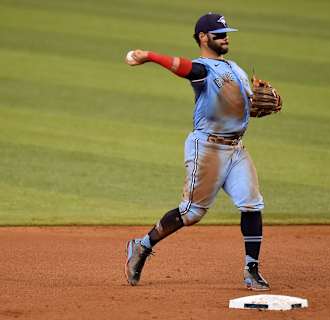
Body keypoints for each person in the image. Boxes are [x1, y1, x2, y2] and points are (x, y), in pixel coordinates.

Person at [124, 13, 270, 291]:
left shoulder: (235, 68)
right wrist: (150, 55)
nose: (226, 37)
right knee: (190, 213)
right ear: (204, 37)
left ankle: (252, 270)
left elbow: (245, 106)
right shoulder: (203, 70)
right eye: (220, 33)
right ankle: (141, 246)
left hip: (236, 147)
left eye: (227, 32)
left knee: (252, 204)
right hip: (208, 148)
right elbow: (184, 68)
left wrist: (259, 107)